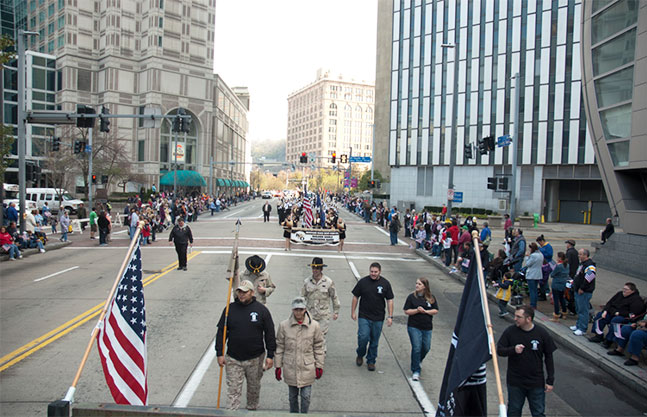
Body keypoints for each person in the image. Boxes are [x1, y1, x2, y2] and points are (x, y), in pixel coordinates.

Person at [216, 280, 276, 411]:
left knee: (253, 390)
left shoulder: (261, 310)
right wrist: (219, 353)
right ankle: (232, 412)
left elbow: (270, 333)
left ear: (252, 293)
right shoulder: (229, 310)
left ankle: (252, 410)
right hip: (233, 358)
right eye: (239, 292)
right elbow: (221, 332)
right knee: (233, 392)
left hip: (255, 359)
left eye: (245, 292)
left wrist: (270, 355)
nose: (241, 295)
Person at [497, 305, 557, 417]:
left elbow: (549, 357)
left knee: (538, 412)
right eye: (515, 316)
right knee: (514, 411)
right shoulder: (510, 332)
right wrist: (513, 349)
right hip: (515, 382)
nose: (515, 319)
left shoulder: (541, 333)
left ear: (528, 319)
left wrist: (550, 380)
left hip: (536, 382)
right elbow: (500, 350)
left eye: (518, 317)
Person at [274, 296, 325, 414]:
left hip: (307, 367)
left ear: (305, 310)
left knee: (306, 396)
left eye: (300, 310)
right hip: (290, 366)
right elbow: (280, 346)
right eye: (296, 309)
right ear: (292, 310)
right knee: (292, 397)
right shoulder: (284, 325)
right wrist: (278, 366)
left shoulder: (314, 326)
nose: (298, 312)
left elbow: (318, 346)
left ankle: (304, 414)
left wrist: (319, 366)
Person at [351, 262, 394, 371]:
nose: (373, 274)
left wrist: (390, 316)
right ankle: (360, 354)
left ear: (380, 272)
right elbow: (355, 297)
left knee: (374, 341)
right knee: (363, 337)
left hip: (378, 317)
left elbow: (390, 300)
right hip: (364, 315)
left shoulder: (385, 284)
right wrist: (353, 311)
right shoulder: (363, 282)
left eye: (375, 272)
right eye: (371, 271)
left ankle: (371, 361)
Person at [403, 277, 438, 381]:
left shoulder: (431, 298)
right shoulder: (411, 297)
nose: (417, 285)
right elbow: (406, 311)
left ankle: (418, 360)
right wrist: (417, 310)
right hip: (414, 326)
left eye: (419, 284)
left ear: (425, 286)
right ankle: (415, 370)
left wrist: (426, 312)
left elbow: (435, 310)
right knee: (416, 347)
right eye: (416, 283)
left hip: (427, 327)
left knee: (426, 347)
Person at [301, 257, 341, 344]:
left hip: (323, 315)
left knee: (321, 337)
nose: (315, 270)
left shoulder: (328, 282)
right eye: (313, 268)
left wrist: (336, 311)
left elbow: (334, 297)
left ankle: (321, 355)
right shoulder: (307, 282)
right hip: (310, 314)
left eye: (317, 268)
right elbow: (302, 297)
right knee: (309, 336)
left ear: (321, 269)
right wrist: (300, 311)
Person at [570, 249, 596, 336]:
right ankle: (578, 325)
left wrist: (582, 288)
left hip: (584, 292)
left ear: (586, 255)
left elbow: (590, 277)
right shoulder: (583, 264)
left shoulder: (590, 265)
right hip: (577, 290)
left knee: (583, 310)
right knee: (578, 309)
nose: (579, 256)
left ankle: (582, 328)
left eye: (580, 254)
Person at [549, 252, 569, 322]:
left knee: (556, 300)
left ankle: (556, 315)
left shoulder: (558, 266)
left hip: (556, 283)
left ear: (560, 258)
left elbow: (552, 274)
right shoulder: (567, 265)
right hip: (563, 283)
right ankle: (564, 312)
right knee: (562, 298)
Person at [524, 242, 544, 309]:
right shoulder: (541, 255)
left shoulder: (533, 256)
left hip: (532, 274)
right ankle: (534, 303)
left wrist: (527, 257)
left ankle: (532, 304)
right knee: (535, 290)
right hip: (538, 274)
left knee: (532, 290)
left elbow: (527, 264)